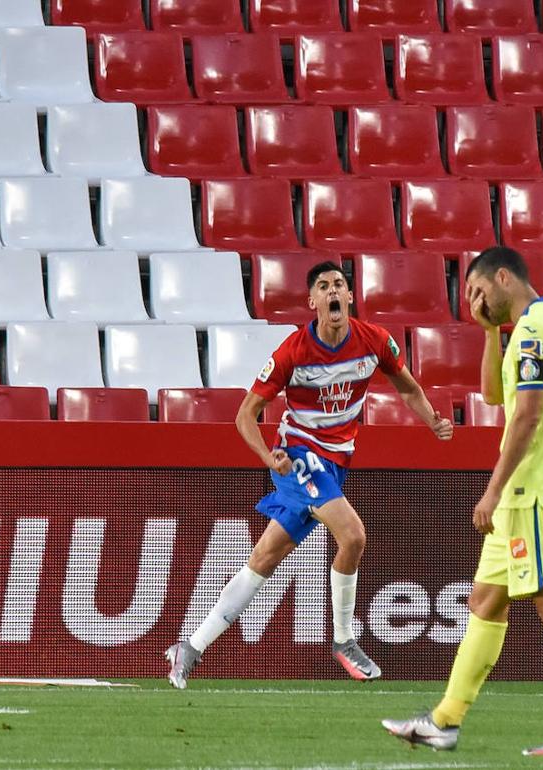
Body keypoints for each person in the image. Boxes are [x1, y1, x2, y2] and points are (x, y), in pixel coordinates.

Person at [165, 261, 453, 688]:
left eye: (339, 284)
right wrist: (268, 456)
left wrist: (431, 420)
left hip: (335, 463)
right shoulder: (294, 350)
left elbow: (408, 387)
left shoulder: (374, 341)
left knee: (262, 560)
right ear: (313, 301)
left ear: (350, 297)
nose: (333, 290)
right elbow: (246, 414)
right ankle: (343, 640)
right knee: (353, 535)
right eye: (324, 285)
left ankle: (189, 647)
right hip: (300, 454)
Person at [382, 246, 543, 757]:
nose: (476, 302)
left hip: (533, 491)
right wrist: (487, 332)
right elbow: (494, 397)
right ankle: (444, 721)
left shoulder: (533, 329)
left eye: (480, 291)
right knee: (483, 600)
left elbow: (525, 416)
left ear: (505, 277)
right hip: (530, 493)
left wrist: (493, 489)